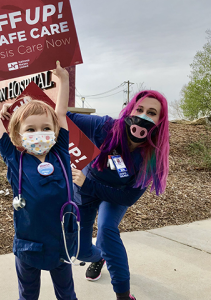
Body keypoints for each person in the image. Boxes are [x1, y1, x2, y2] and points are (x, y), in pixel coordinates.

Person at [0, 61, 78, 300]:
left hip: (61, 241)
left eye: (46, 127)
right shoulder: (15, 158)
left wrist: (63, 80)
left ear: (56, 131)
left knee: (66, 293)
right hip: (28, 244)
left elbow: (61, 113)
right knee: (28, 294)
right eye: (31, 130)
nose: (39, 134)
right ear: (18, 134)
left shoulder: (60, 152)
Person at [68, 90, 169, 300]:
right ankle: (99, 257)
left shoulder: (152, 156)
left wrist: (88, 185)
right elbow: (62, 117)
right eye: (139, 109)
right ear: (130, 109)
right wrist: (15, 110)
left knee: (106, 231)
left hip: (116, 193)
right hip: (86, 185)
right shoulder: (105, 127)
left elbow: (128, 199)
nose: (143, 116)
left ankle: (124, 296)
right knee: (81, 251)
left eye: (152, 113)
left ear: (160, 121)